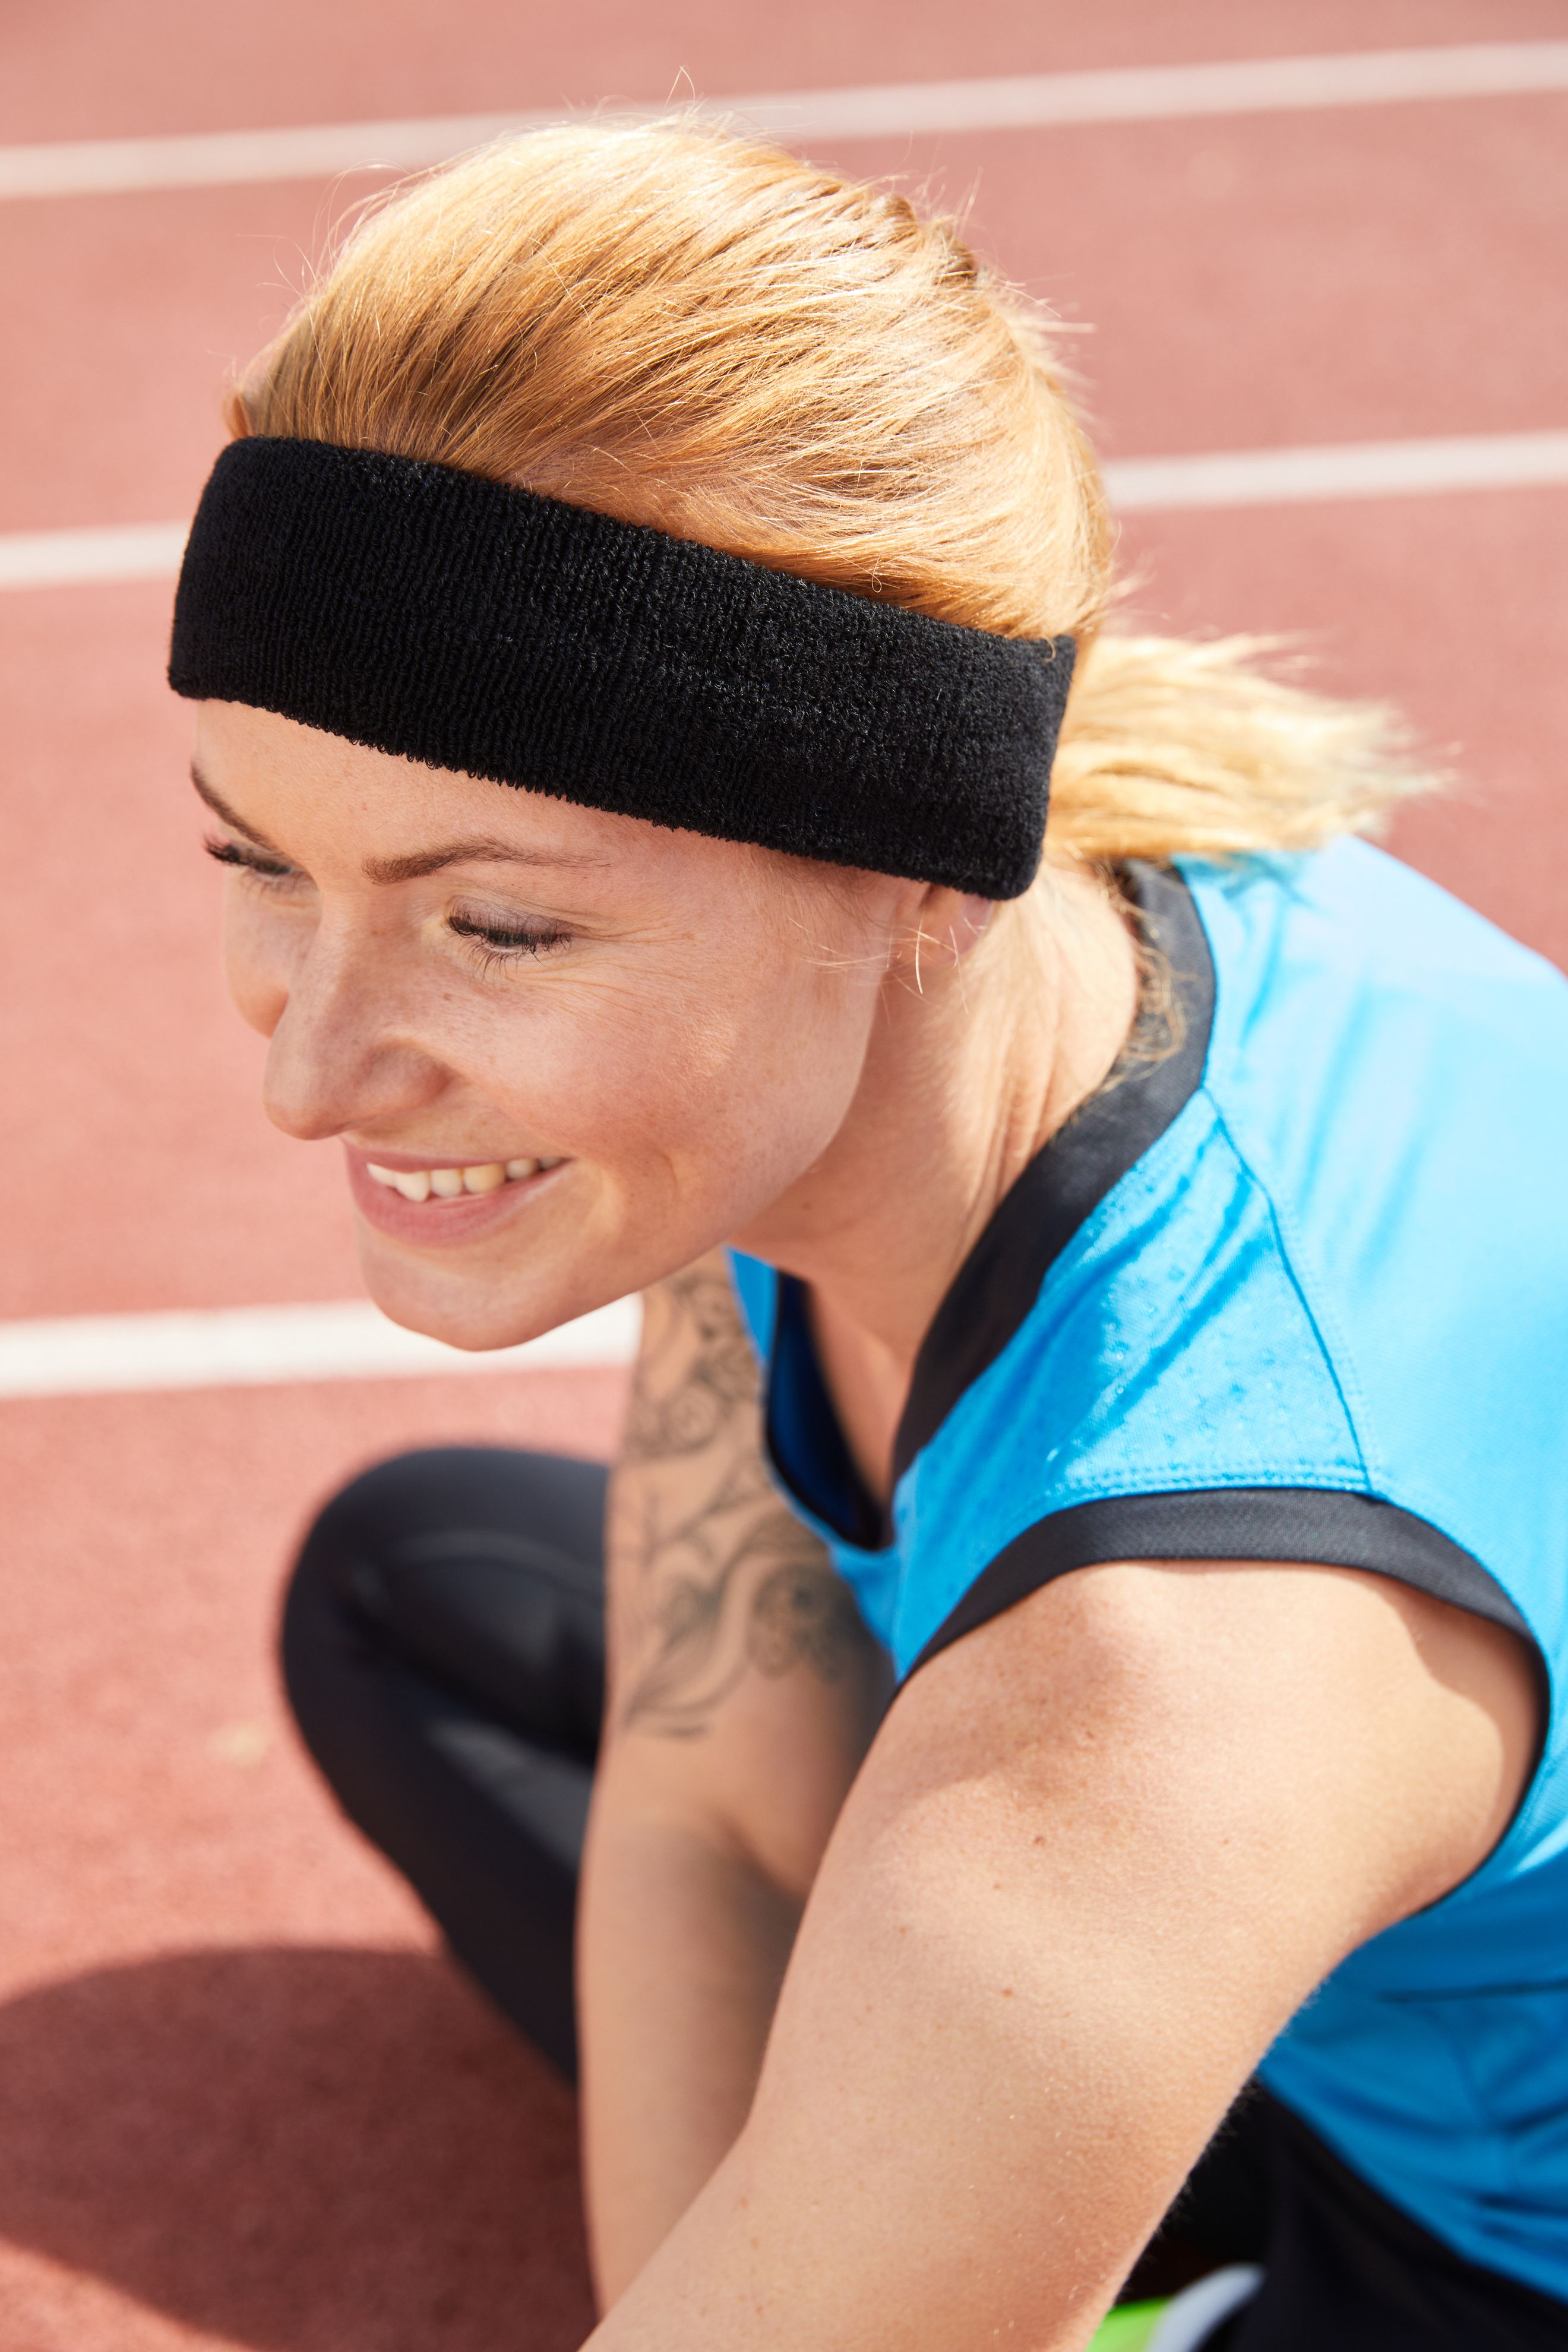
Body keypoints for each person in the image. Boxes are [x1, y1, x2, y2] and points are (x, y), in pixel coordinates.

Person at [169, 121, 1568, 2351]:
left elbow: (1054, 1740)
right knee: (411, 1594)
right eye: (258, 862)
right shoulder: (935, 1003)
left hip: (1489, 2243)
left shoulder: (1180, 1657)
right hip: (1283, 1968)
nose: (308, 1073)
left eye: (498, 925)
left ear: (907, 860)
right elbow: (711, 1802)